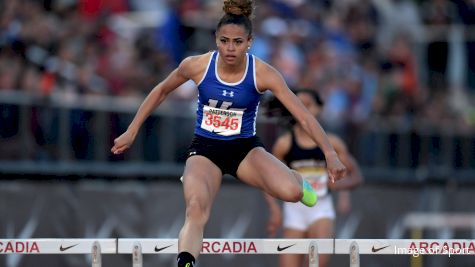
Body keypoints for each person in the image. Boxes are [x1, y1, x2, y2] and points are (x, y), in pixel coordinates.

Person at [110, 1, 347, 266]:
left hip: (244, 150)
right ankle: (185, 263)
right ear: (216, 40)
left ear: (249, 42)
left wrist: (330, 154)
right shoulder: (197, 65)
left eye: (237, 42)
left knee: (292, 193)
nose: (230, 49)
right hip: (205, 150)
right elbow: (161, 90)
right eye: (224, 41)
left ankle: (295, 180)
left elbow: (303, 115)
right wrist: (131, 131)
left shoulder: (262, 73)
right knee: (196, 209)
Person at [265, 89, 363, 267]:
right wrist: (274, 209)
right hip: (294, 210)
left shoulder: (332, 143)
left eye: (308, 105)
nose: (303, 109)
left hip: (321, 208)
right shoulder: (284, 144)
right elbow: (268, 180)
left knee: (318, 263)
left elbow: (355, 176)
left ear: (319, 108)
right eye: (298, 104)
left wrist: (341, 191)